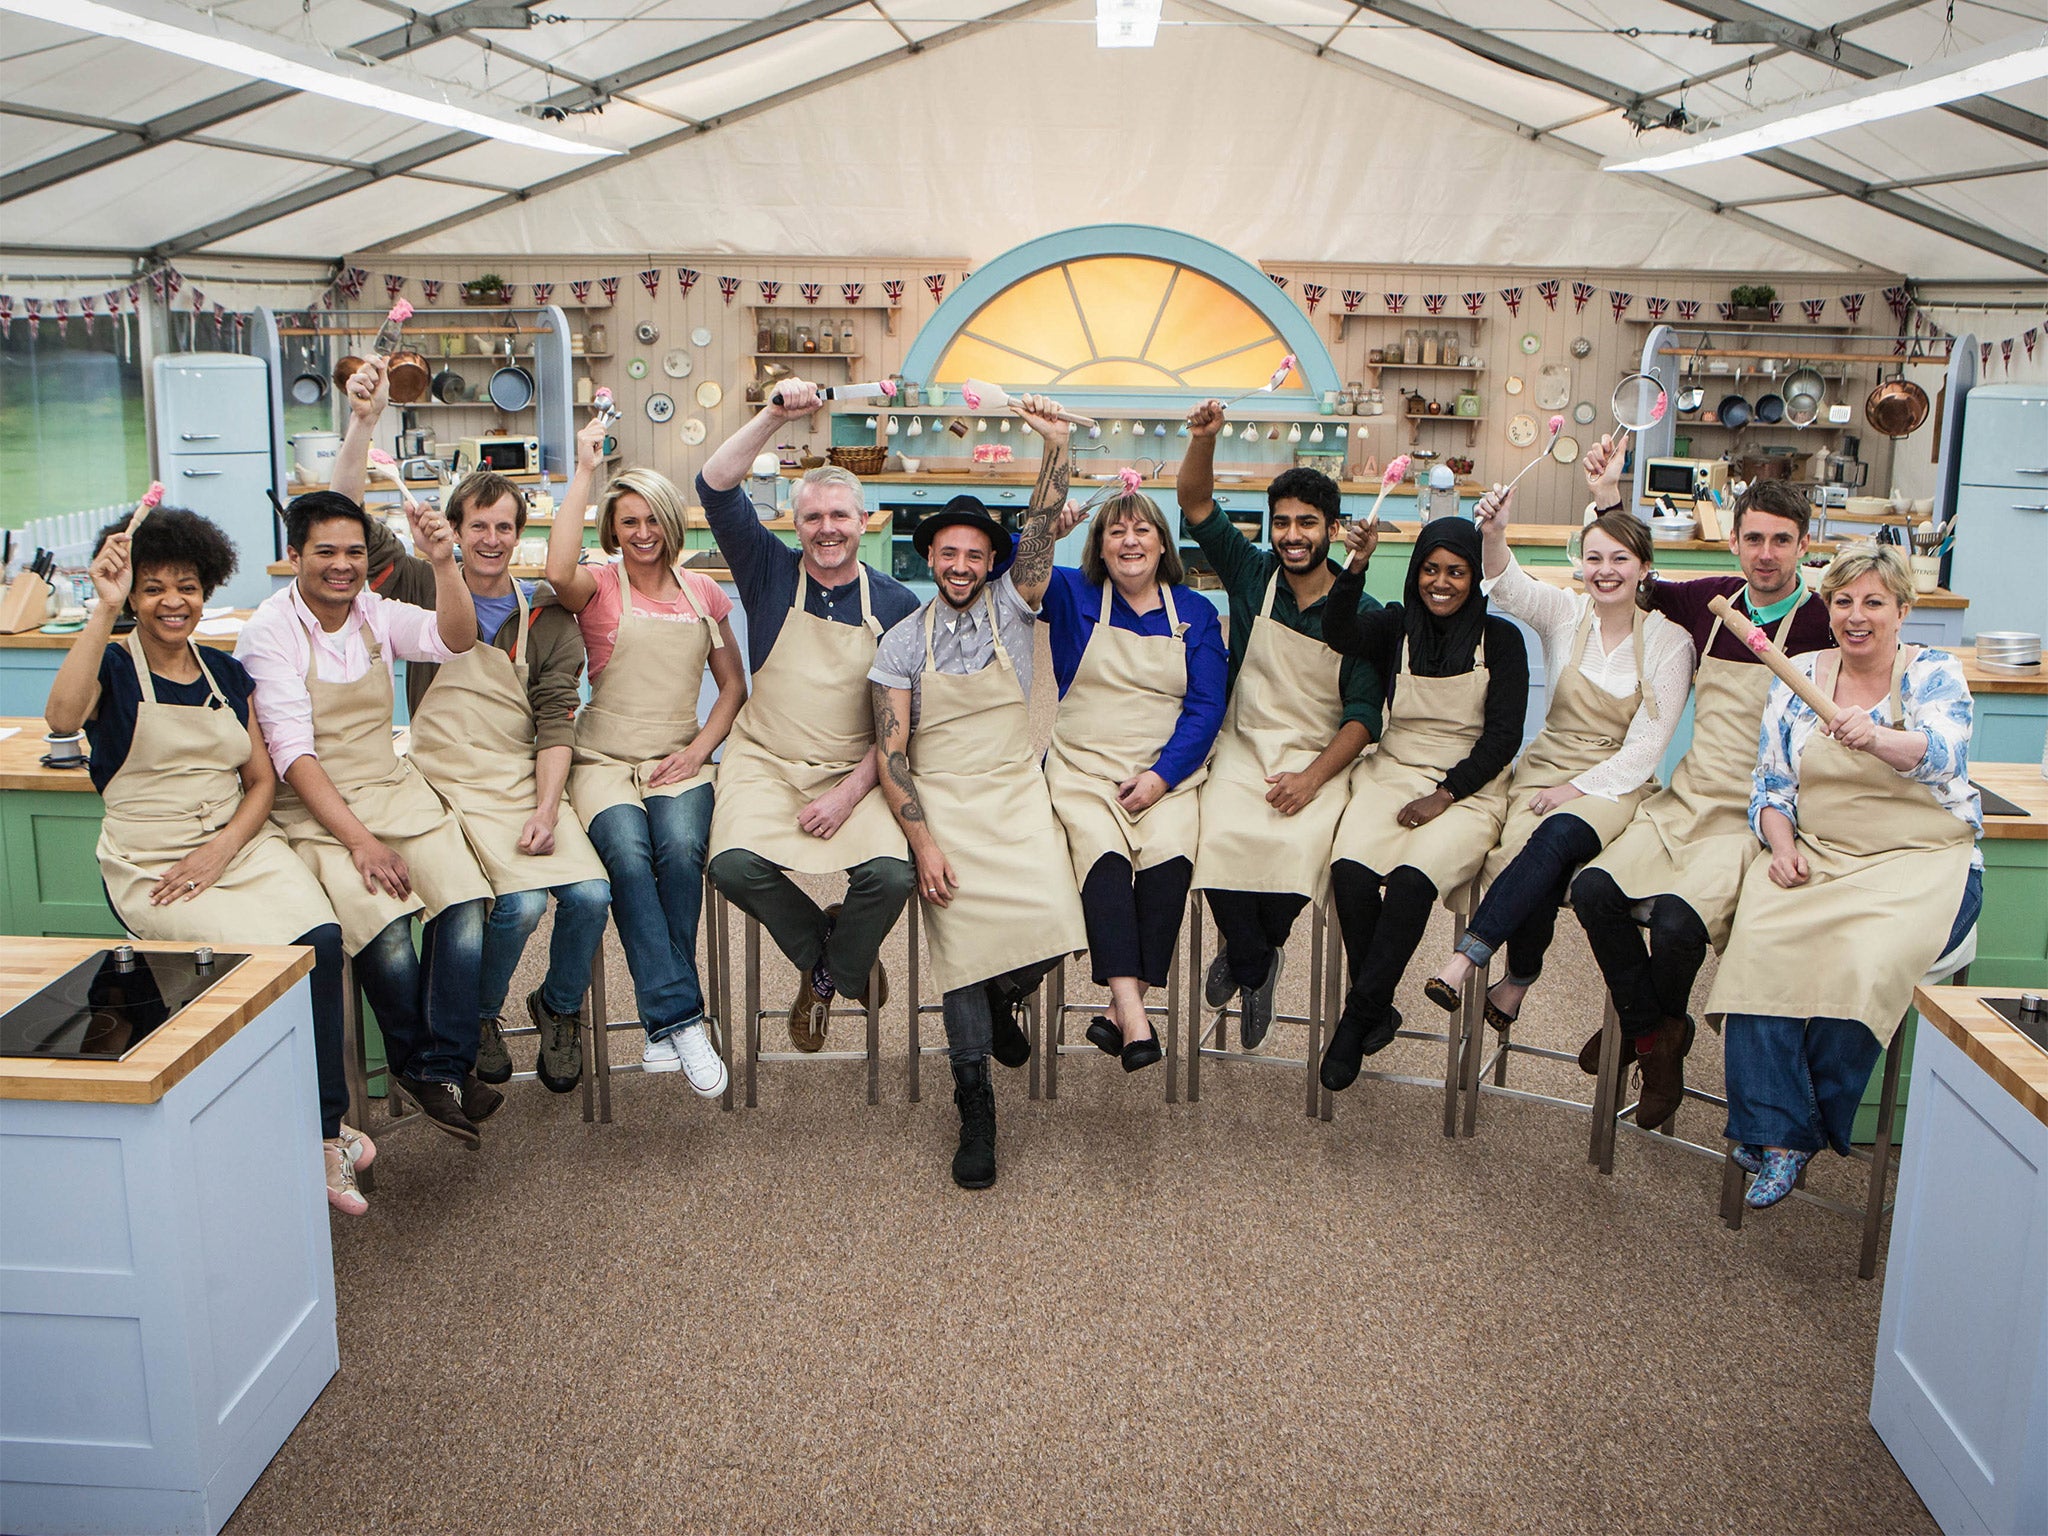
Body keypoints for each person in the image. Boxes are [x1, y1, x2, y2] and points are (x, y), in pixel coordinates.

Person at [45, 509, 371, 1216]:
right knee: (239, 972)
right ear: (130, 594)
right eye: (152, 587)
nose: (172, 601)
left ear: (207, 590)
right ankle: (282, 1135)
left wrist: (223, 847)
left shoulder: (225, 671)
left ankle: (322, 1132)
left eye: (186, 586)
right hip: (153, 860)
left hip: (237, 845)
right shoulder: (108, 666)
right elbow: (63, 718)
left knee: (318, 943)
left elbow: (261, 781)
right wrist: (99, 611)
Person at [337, 358, 612, 1095]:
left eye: (503, 528)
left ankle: (557, 1008)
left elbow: (557, 721)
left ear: (519, 534)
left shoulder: (548, 615)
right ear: (453, 530)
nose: (490, 540)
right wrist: (362, 422)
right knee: (517, 905)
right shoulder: (423, 582)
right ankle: (480, 1015)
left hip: (518, 777)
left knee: (590, 895)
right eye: (477, 526)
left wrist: (548, 808)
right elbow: (345, 515)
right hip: (437, 781)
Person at [1569, 449, 1834, 1130]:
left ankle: (1640, 1038)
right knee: (1594, 890)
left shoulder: (1824, 623)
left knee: (1682, 923)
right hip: (1686, 797)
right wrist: (1607, 496)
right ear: (1734, 540)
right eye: (1754, 538)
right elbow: (1630, 578)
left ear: (1805, 546)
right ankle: (1658, 1034)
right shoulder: (1707, 604)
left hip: (1754, 815)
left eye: (1782, 540)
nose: (1766, 553)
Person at [1708, 544, 1979, 1206]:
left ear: (1903, 611)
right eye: (1844, 601)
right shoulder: (1797, 673)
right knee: (1758, 945)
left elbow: (1944, 755)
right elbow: (1770, 787)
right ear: (1828, 609)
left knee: (1864, 963)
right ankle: (1783, 1133)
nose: (1857, 616)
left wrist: (1881, 738)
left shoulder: (1934, 674)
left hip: (1923, 860)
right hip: (1823, 852)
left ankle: (1786, 1131)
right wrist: (1778, 845)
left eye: (1874, 602)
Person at [236, 488, 496, 1148]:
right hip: (317, 812)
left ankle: (440, 1067)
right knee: (384, 926)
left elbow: (454, 640)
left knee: (464, 901)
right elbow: (292, 756)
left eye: (354, 551)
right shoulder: (269, 632)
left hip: (392, 786)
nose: (342, 565)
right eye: (325, 551)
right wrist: (359, 844)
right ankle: (423, 1066)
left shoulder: (373, 613)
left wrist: (444, 563)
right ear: (293, 555)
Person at [870, 450, 1087, 1190]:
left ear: (992, 561)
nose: (961, 565)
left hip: (1014, 791)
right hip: (947, 803)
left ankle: (1005, 998)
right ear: (929, 555)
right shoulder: (900, 642)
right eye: (948, 553)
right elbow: (892, 754)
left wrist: (1058, 445)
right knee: (960, 953)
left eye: (975, 554)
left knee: (1064, 917)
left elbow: (1041, 532)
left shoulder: (1013, 604)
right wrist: (922, 843)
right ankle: (976, 1110)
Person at [696, 380, 919, 1050]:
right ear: (796, 524)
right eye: (814, 517)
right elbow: (714, 485)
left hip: (858, 762)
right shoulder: (767, 570)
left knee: (891, 874)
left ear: (863, 520)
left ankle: (824, 977)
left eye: (840, 517)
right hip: (766, 759)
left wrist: (853, 793)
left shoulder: (898, 604)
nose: (828, 529)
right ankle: (835, 953)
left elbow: (904, 728)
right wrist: (771, 414)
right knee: (731, 863)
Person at [1421, 486, 1693, 1030]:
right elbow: (1505, 584)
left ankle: (1466, 957)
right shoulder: (1566, 614)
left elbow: (1648, 744)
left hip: (1616, 780)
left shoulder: (1671, 641)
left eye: (1620, 559)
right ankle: (1519, 977)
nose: (1605, 571)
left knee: (1558, 832)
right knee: (1526, 852)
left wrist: (1575, 790)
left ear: (1644, 566)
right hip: (1546, 763)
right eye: (1594, 558)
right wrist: (1494, 532)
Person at [545, 415, 746, 1100]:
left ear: (669, 522)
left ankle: (664, 1024)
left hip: (674, 758)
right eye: (627, 521)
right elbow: (553, 569)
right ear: (614, 528)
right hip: (601, 760)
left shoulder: (705, 593)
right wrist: (583, 470)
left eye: (650, 519)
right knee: (628, 859)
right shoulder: (598, 587)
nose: (641, 533)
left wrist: (697, 750)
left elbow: (733, 688)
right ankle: (680, 1020)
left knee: (681, 848)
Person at [1178, 400, 1384, 1048]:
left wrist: (1312, 780)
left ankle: (1252, 951)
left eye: (1307, 523)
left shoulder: (1361, 611)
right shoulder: (1253, 573)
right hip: (1244, 741)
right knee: (1212, 833)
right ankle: (1254, 957)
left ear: (1332, 529)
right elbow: (1195, 502)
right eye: (1283, 522)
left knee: (1303, 848)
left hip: (1320, 753)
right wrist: (1206, 439)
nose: (1293, 534)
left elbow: (1361, 718)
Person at [1317, 517, 1528, 1090]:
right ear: (1416, 573)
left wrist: (1446, 794)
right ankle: (1377, 1007)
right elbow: (1337, 631)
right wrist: (1355, 565)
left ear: (1474, 575)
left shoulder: (1501, 639)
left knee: (1412, 881)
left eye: (1456, 571)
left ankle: (1359, 1014)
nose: (1442, 582)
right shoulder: (1394, 625)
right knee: (1351, 872)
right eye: (1431, 570)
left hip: (1471, 786)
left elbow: (1504, 736)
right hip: (1393, 768)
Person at [1041, 480, 1227, 1067]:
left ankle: (1121, 1014)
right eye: (1115, 531)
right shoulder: (1070, 592)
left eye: (1142, 529)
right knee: (1105, 861)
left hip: (1164, 772)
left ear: (1162, 542)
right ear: (1096, 546)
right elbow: (1008, 579)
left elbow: (1205, 707)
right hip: (1083, 769)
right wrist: (1047, 535)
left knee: (1170, 862)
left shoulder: (1195, 612)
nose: (1129, 540)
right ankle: (1136, 1013)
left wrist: (1163, 776)